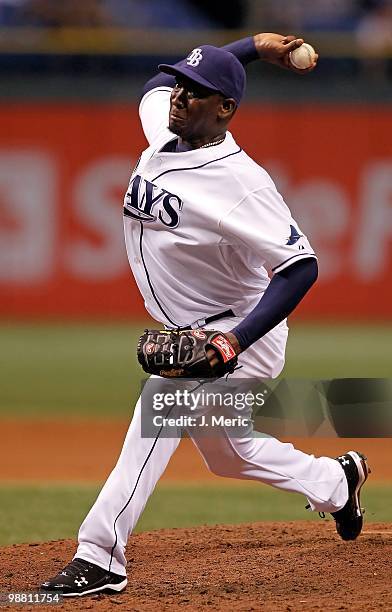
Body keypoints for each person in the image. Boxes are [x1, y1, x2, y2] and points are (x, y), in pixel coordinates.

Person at [41, 32, 370, 597]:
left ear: (225, 109)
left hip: (237, 330)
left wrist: (233, 342)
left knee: (158, 410)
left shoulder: (242, 184)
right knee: (229, 453)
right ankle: (335, 482)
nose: (180, 96)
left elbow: (301, 267)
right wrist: (251, 48)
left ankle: (100, 555)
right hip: (195, 330)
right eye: (182, 84)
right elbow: (155, 84)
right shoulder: (164, 131)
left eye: (197, 91)